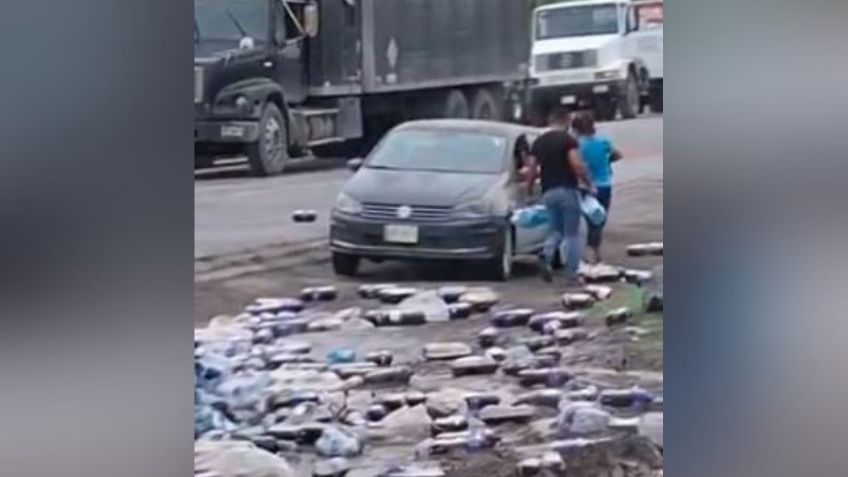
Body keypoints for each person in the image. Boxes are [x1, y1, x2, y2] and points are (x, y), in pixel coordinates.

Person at [524, 106, 594, 286]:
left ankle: (546, 255)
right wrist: (588, 183)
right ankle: (571, 274)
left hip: (548, 192)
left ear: (550, 121)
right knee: (572, 234)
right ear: (566, 122)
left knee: (556, 230)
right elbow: (576, 165)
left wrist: (530, 188)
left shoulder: (538, 142)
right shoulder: (567, 140)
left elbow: (531, 169)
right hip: (566, 190)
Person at [571, 111, 623, 264]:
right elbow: (618, 155)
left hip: (585, 187)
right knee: (599, 219)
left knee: (585, 219)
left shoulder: (577, 146)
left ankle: (585, 253)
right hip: (604, 185)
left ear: (576, 129)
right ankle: (596, 252)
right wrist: (607, 161)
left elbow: (576, 164)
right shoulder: (603, 143)